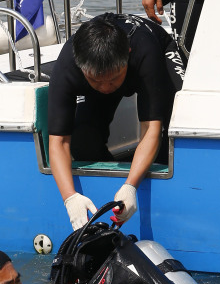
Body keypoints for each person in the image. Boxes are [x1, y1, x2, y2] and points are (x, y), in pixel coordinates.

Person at [48, 12, 184, 231]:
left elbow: (151, 130)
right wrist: (70, 197)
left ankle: (142, 193)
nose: (106, 88)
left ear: (127, 56)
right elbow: (59, 141)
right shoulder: (67, 64)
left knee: (170, 134)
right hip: (103, 69)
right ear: (81, 67)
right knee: (83, 141)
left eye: (113, 79)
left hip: (155, 50)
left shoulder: (142, 51)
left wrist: (131, 186)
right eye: (96, 81)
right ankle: (112, 195)